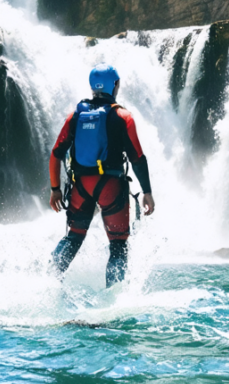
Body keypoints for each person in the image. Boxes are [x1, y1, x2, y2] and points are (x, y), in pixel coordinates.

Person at [48, 63, 156, 286]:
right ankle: (112, 300)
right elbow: (137, 157)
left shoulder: (75, 116)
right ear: (115, 85)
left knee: (73, 238)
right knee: (118, 245)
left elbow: (56, 154)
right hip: (111, 186)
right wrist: (147, 192)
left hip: (81, 186)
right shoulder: (123, 116)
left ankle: (47, 283)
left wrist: (55, 189)